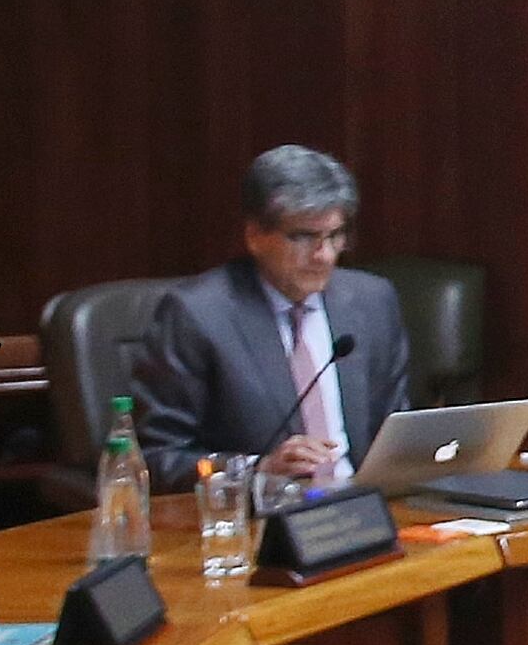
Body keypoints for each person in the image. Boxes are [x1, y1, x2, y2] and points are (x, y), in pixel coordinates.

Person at [129, 145, 415, 491]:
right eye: (303, 237)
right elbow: (158, 457)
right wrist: (258, 471)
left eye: (335, 235)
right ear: (254, 236)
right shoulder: (197, 315)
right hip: (262, 521)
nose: (324, 255)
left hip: (368, 510)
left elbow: (396, 429)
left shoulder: (372, 302)